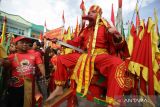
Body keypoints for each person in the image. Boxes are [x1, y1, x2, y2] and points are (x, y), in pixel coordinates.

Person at [46, 5, 130, 106]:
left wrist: (117, 35)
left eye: (93, 12)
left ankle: (113, 102)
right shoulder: (86, 30)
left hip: (101, 56)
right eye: (89, 12)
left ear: (99, 14)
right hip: (85, 56)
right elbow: (74, 42)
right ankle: (59, 88)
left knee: (118, 63)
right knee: (60, 59)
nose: (90, 13)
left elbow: (119, 45)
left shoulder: (105, 27)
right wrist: (60, 41)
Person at [0, 36, 45, 107]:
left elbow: (41, 65)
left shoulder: (35, 54)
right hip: (16, 87)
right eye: (22, 42)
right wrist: (2, 62)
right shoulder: (11, 56)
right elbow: (6, 63)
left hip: (30, 86)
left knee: (29, 104)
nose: (25, 44)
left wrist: (44, 77)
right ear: (16, 45)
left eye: (26, 43)